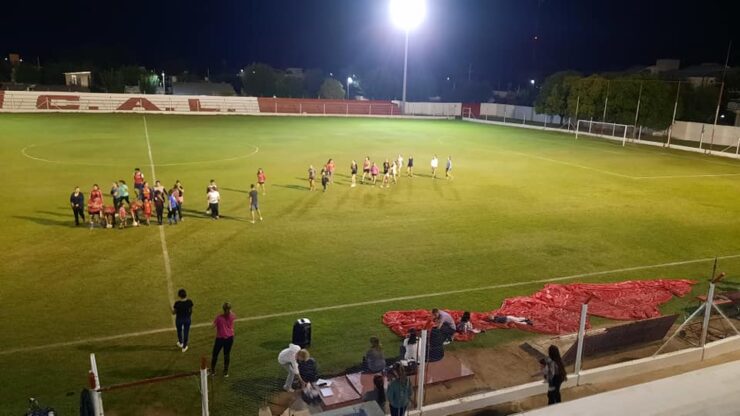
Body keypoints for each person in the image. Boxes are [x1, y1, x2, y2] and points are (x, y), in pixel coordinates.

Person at [211, 302, 235, 377]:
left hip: (220, 339)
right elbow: (231, 313)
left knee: (215, 354)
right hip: (230, 338)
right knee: (226, 355)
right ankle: (225, 372)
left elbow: (213, 326)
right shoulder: (232, 316)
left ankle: (213, 371)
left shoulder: (219, 318)